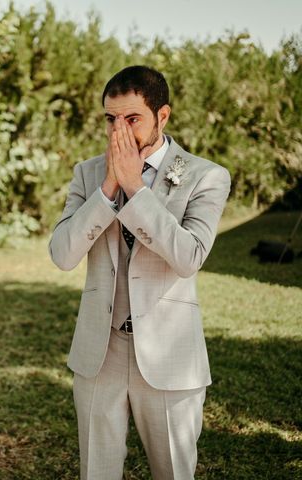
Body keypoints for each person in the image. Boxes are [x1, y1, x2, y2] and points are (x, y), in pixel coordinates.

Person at [49, 66, 231, 479]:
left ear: (161, 117)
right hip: (101, 353)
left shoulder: (207, 176)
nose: (120, 131)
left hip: (170, 356)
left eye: (132, 119)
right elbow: (62, 254)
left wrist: (136, 189)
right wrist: (109, 189)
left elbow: (189, 256)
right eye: (111, 119)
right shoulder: (88, 173)